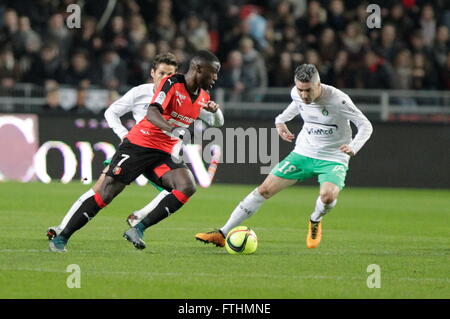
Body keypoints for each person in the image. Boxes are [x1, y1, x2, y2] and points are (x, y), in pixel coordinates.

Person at [48, 50, 222, 252]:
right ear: (199, 69)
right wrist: (173, 129)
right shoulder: (173, 83)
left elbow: (218, 122)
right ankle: (62, 236)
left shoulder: (203, 97)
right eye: (213, 72)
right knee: (107, 191)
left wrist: (215, 110)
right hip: (139, 145)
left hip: (162, 154)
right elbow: (152, 112)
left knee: (187, 186)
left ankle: (138, 228)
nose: (216, 78)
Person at [195, 64, 373, 249]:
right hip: (304, 152)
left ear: (318, 84)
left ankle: (315, 219)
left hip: (333, 156)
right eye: (300, 89)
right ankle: (222, 233)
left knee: (327, 196)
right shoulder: (297, 94)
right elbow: (294, 107)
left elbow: (365, 125)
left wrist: (353, 147)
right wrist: (280, 122)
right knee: (264, 189)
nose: (304, 95)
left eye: (308, 90)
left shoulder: (338, 100)